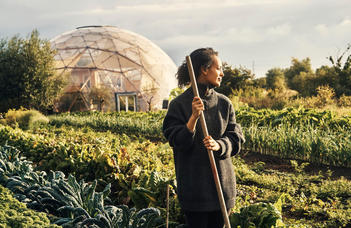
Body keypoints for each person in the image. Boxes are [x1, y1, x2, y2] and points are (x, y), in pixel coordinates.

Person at [162, 47, 245, 228]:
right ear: (204, 69)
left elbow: (236, 137)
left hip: (222, 189)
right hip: (195, 192)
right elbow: (176, 141)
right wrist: (192, 119)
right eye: (218, 68)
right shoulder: (179, 105)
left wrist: (220, 145)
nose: (222, 73)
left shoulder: (224, 103)